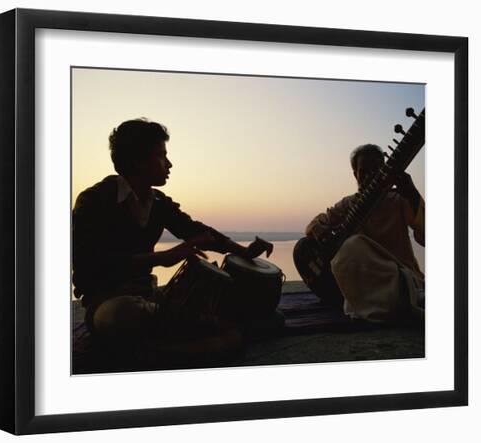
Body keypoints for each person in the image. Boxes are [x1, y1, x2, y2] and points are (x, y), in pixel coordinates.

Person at [72, 118, 273, 349]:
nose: (169, 164)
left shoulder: (158, 202)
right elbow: (89, 265)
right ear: (138, 161)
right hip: (107, 303)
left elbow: (195, 230)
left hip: (149, 296)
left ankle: (175, 340)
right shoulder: (94, 200)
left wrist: (244, 251)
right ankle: (190, 343)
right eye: (161, 155)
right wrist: (162, 258)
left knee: (249, 309)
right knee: (122, 315)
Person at [294, 144, 425, 324]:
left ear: (384, 171)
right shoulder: (348, 205)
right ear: (355, 174)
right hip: (363, 284)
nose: (370, 175)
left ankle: (403, 297)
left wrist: (413, 195)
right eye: (363, 170)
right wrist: (319, 230)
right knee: (307, 247)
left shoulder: (399, 200)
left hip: (399, 277)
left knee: (352, 245)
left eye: (375, 170)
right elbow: (314, 224)